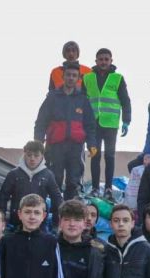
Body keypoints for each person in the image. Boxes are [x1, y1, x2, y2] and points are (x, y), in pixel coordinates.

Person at [35, 61, 97, 199]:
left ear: (78, 78)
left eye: (74, 76)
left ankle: (70, 209)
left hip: (76, 147)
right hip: (55, 146)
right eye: (68, 75)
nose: (71, 78)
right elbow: (41, 121)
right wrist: (38, 142)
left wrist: (92, 144)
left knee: (73, 182)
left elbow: (90, 124)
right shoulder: (52, 97)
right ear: (63, 76)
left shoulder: (83, 99)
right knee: (54, 179)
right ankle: (54, 210)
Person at [83, 48, 132, 199]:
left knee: (110, 156)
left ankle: (108, 189)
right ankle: (95, 188)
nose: (103, 62)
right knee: (95, 155)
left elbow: (125, 100)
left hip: (111, 124)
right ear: (96, 61)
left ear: (111, 61)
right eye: (101, 59)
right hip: (93, 123)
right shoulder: (87, 78)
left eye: (106, 59)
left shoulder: (117, 78)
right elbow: (82, 100)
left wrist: (126, 121)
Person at [0, 140, 62, 230]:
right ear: (24, 154)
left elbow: (57, 199)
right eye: (29, 155)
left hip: (40, 225)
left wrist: (56, 223)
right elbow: (2, 198)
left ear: (42, 156)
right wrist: (1, 221)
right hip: (16, 224)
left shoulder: (48, 175)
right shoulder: (14, 174)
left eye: (36, 155)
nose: (32, 158)